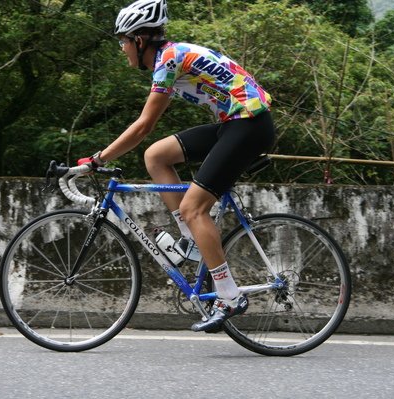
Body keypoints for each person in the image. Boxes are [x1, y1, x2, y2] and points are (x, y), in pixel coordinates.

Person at [79, 0, 275, 332]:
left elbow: (143, 126)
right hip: (235, 123)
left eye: (123, 41)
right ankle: (189, 241)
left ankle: (229, 296)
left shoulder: (168, 60)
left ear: (139, 40)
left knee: (193, 208)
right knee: (156, 156)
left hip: (249, 126)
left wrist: (98, 159)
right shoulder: (171, 56)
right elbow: (149, 137)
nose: (122, 48)